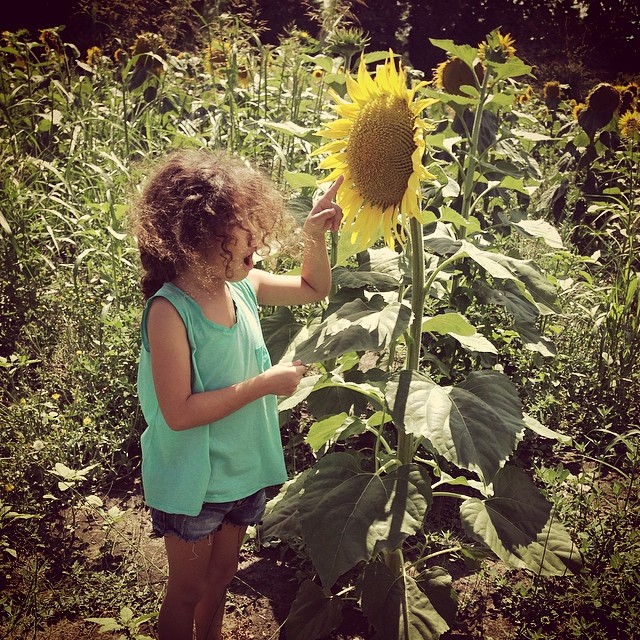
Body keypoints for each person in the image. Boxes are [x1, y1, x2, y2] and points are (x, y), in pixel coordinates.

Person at [131, 148, 343, 640]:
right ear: (197, 240)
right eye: (242, 232)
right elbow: (179, 413)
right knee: (187, 588)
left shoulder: (243, 286)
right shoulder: (170, 312)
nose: (257, 241)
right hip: (193, 482)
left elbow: (313, 287)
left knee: (222, 577)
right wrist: (265, 384)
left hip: (241, 468)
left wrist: (314, 235)